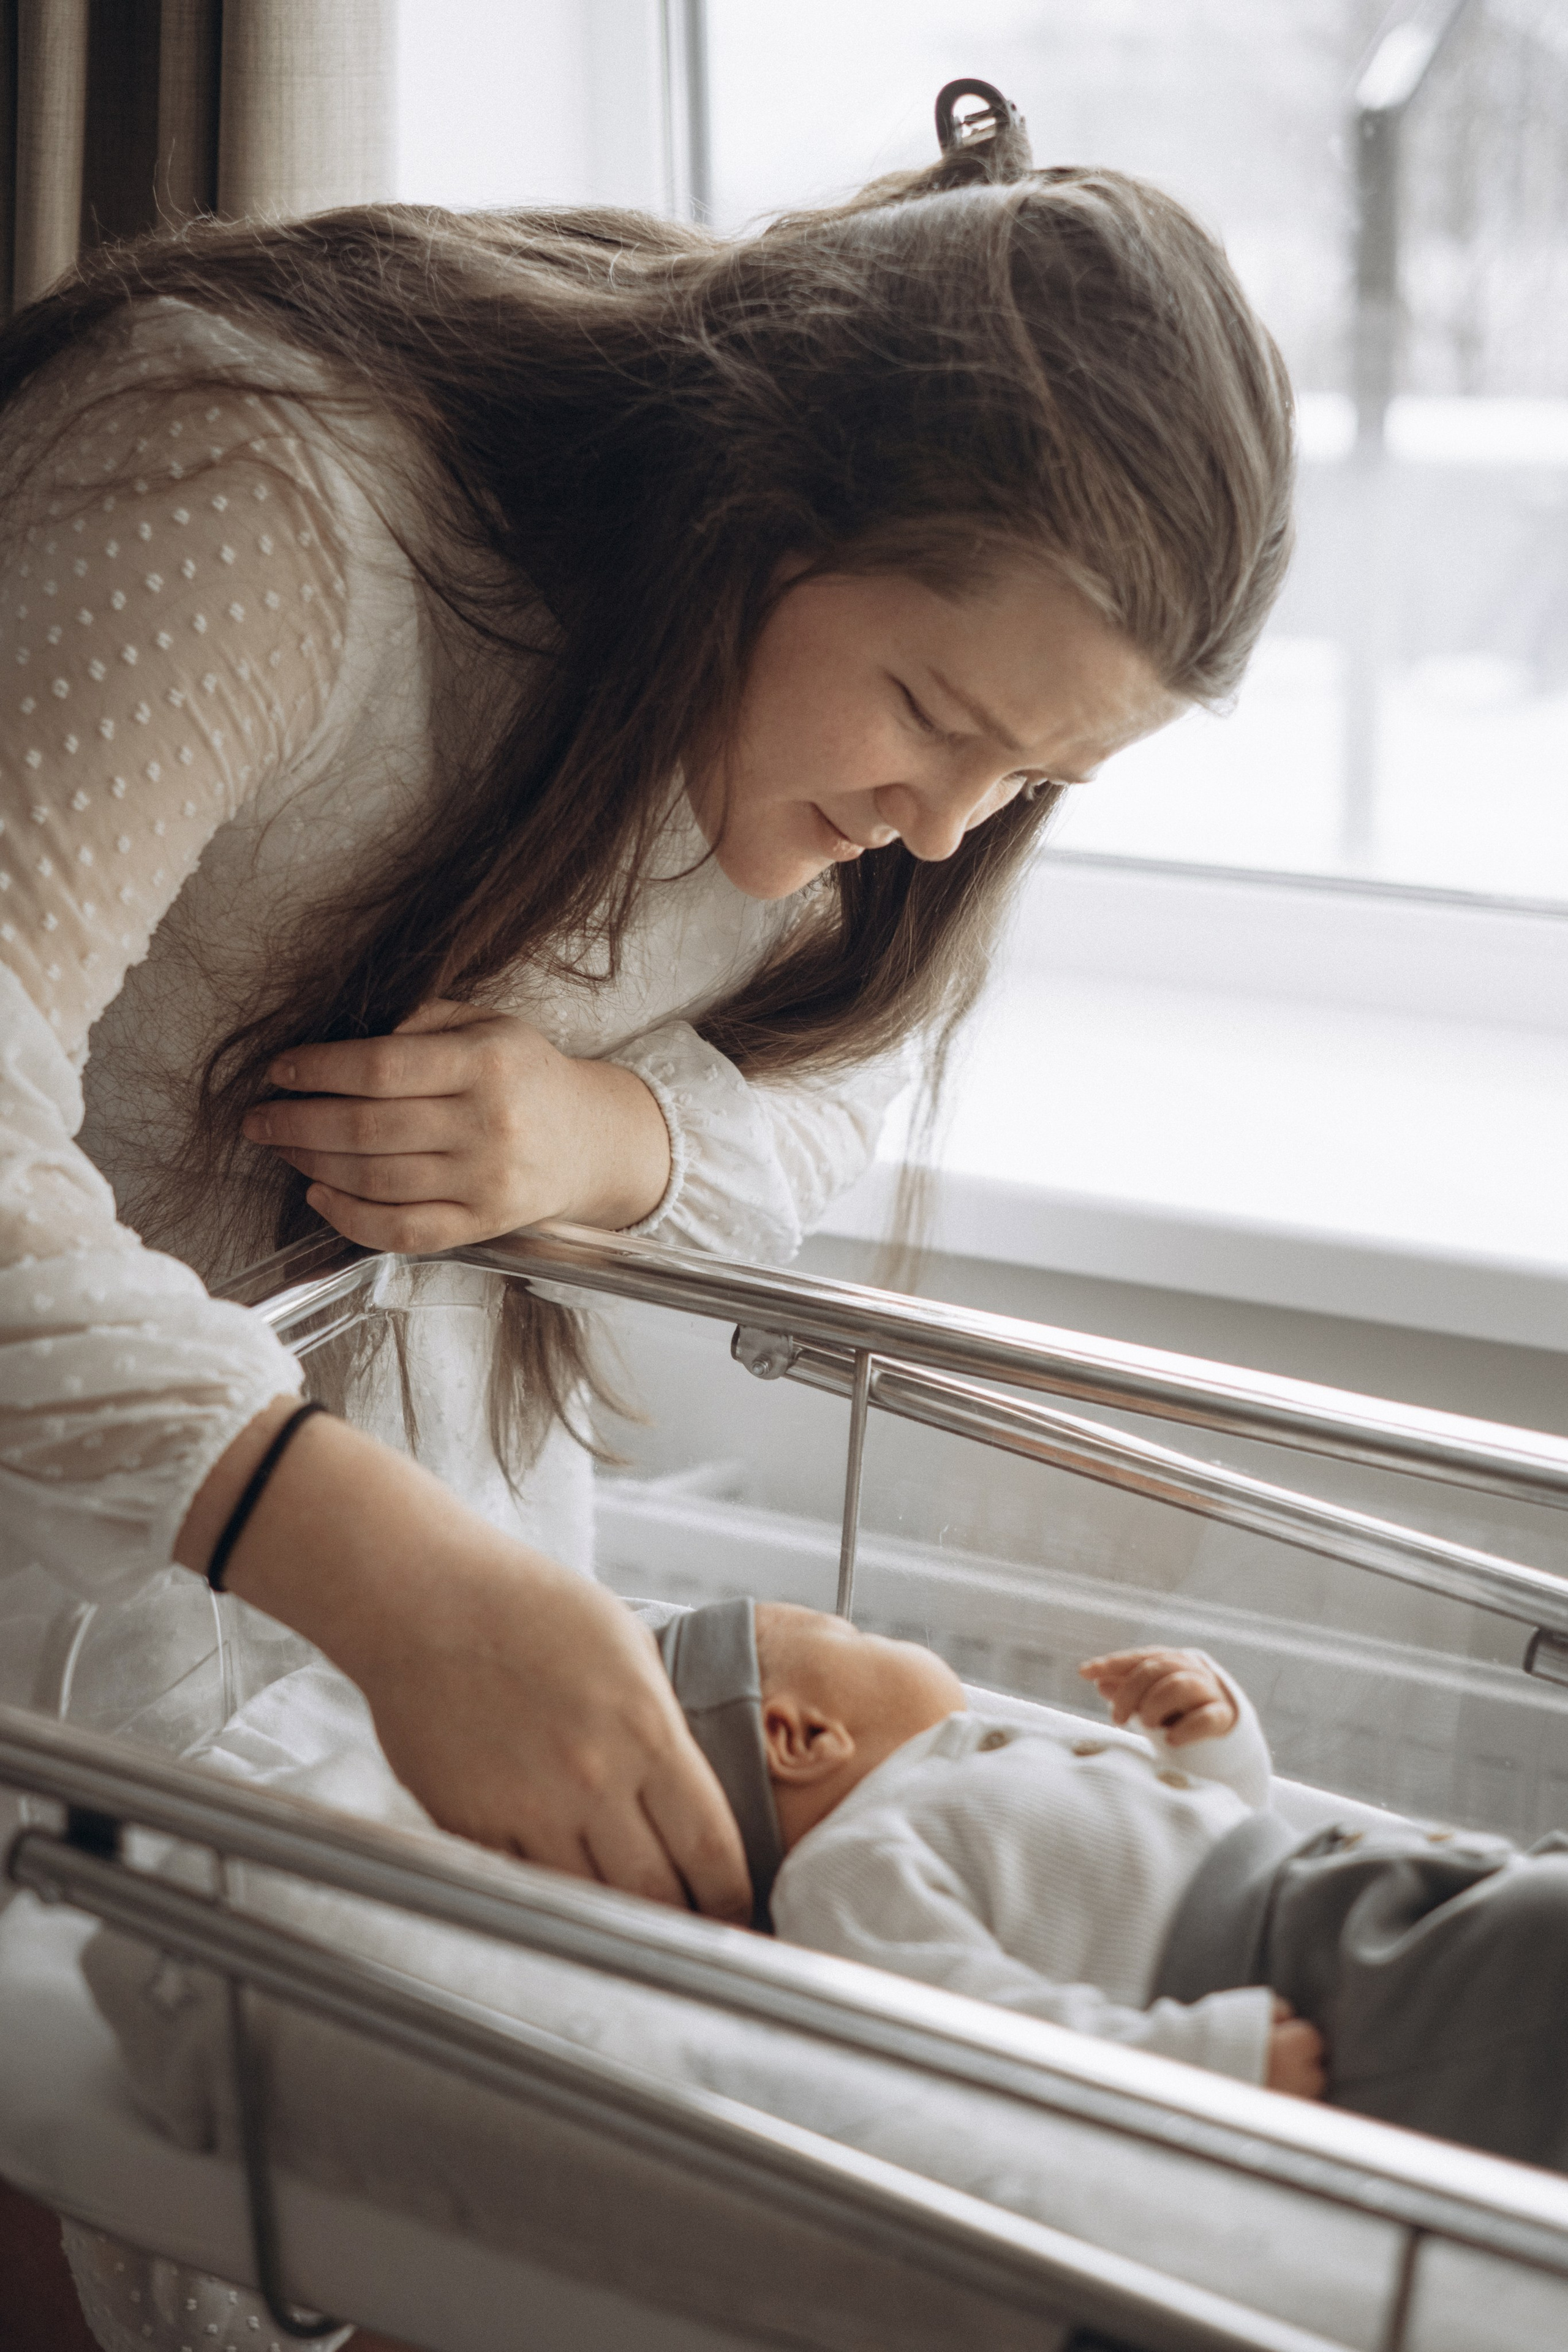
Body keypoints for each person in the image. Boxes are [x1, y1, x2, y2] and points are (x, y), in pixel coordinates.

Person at [0, 85, 1293, 1928]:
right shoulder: (257, 489)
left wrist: (609, 1137)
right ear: (743, 499)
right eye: (932, 714)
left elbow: (846, 1078)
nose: (939, 829)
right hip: (105, 1584)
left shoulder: (895, 790)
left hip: (404, 1611)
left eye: (1032, 778)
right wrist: (363, 1557)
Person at [659, 1597, 1568, 2171]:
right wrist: (1196, 2068)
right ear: (803, 1737)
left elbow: (1200, 1826)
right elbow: (984, 2030)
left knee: (1528, 1905)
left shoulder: (951, 1771)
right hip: (1293, 1986)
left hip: (1326, 1879)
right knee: (1532, 1951)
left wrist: (1212, 1741)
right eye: (858, 1634)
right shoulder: (845, 1871)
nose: (883, 1632)